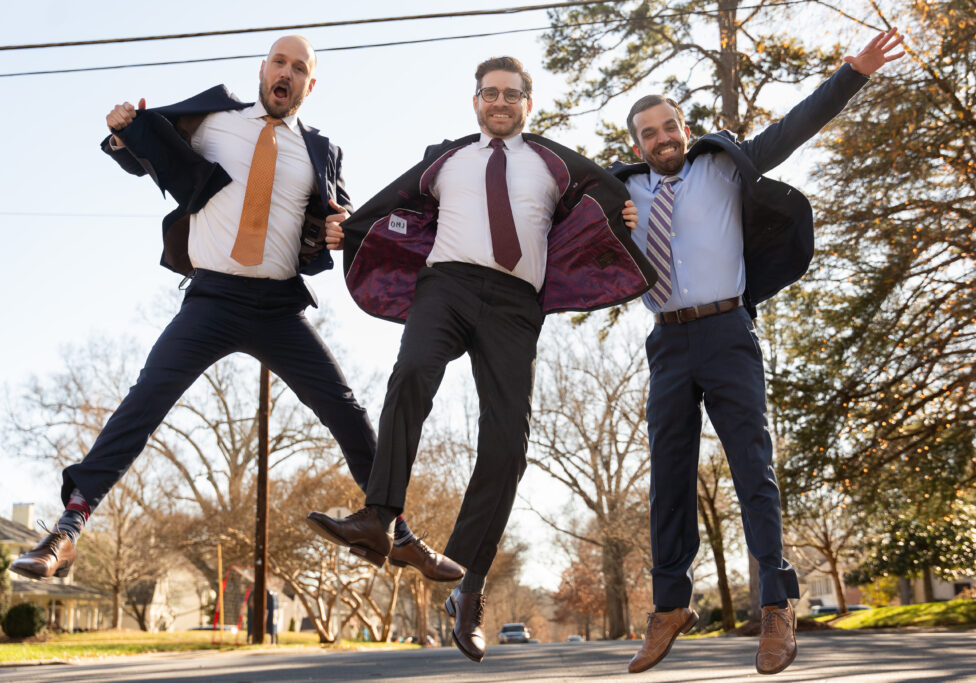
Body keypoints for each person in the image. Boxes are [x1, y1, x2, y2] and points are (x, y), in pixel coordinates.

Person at [10, 35, 460, 586]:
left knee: (347, 411)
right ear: (263, 69)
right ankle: (67, 529)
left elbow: (336, 220)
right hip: (212, 301)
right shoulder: (213, 120)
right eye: (279, 62)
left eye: (299, 69)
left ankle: (397, 533)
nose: (287, 74)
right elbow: (150, 157)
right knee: (144, 401)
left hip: (278, 307)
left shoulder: (320, 151)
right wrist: (124, 131)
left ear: (309, 85)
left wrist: (339, 232)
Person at [306, 56, 656, 663]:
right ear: (475, 102)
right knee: (412, 371)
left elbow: (610, 187)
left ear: (527, 102)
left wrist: (624, 211)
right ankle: (380, 516)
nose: (500, 102)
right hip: (445, 287)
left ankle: (467, 584)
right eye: (490, 94)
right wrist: (345, 230)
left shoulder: (553, 160)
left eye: (511, 94)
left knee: (507, 443)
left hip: (516, 305)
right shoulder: (447, 159)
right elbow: (382, 204)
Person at [613, 28, 906, 676]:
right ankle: (669, 606)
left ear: (683, 128)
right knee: (667, 476)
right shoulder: (620, 193)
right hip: (666, 341)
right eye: (649, 134)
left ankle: (776, 603)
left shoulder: (723, 165)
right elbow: (549, 205)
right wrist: (608, 217)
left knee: (753, 469)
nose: (662, 139)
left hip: (726, 333)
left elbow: (795, 125)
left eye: (670, 127)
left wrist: (853, 72)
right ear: (636, 144)